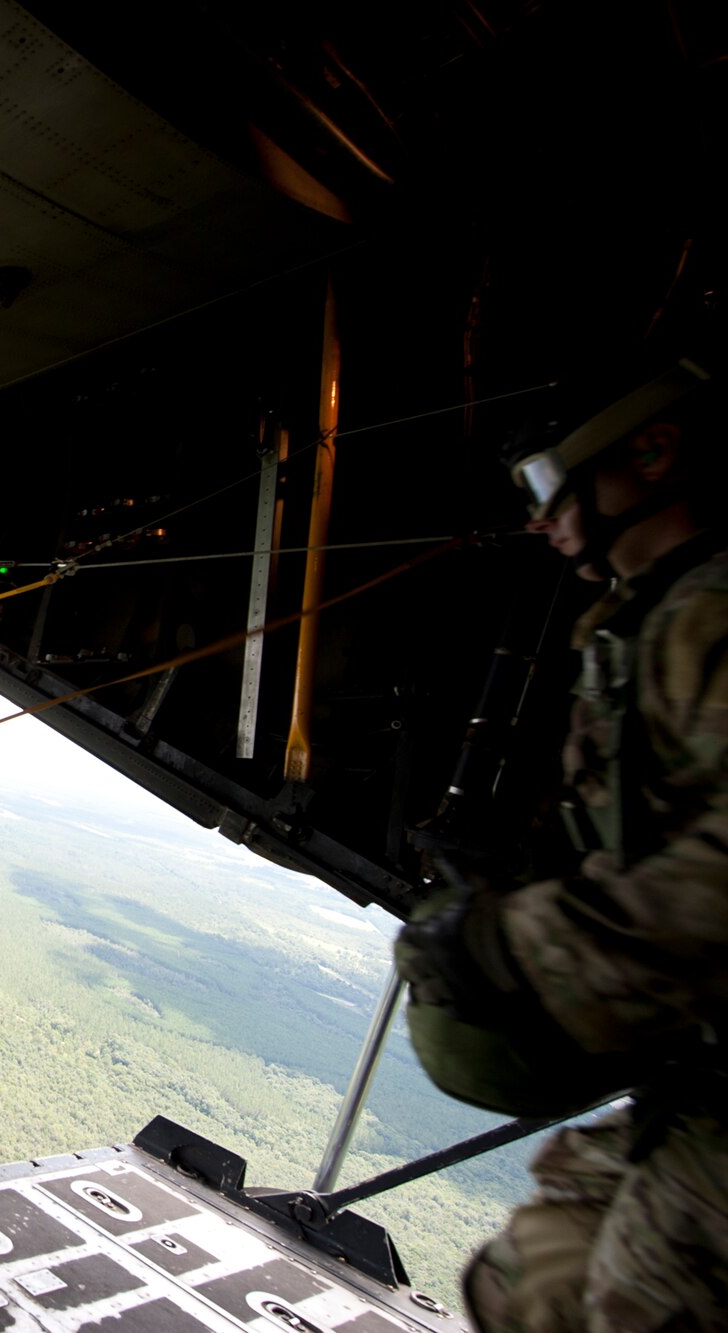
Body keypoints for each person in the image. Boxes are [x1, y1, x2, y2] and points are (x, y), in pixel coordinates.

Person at [396, 355, 728, 1330]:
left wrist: (511, 941)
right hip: (699, 1083)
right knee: (520, 1280)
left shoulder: (707, 614)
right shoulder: (647, 625)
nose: (539, 519)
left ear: (654, 451)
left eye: (547, 486)